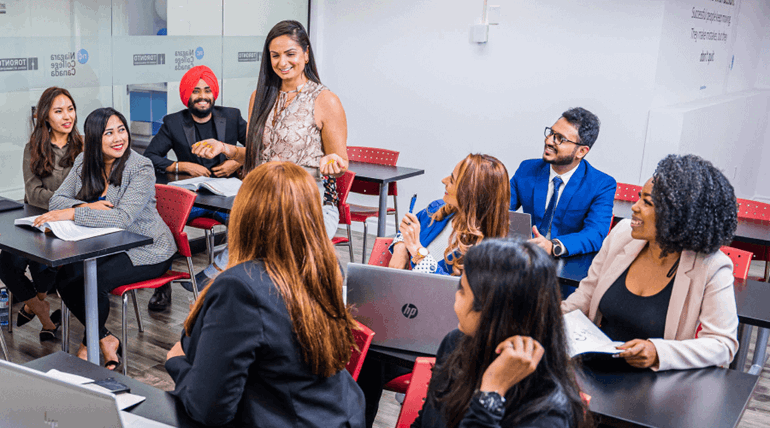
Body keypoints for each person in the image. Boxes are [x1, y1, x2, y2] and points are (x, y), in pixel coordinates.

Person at [165, 161, 365, 427]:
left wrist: (176, 360)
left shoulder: (240, 287)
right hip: (336, 414)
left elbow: (209, 410)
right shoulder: (325, 269)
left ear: (244, 214)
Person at [190, 20, 348, 285]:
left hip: (309, 204)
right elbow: (257, 155)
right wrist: (224, 148)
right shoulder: (260, 97)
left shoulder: (325, 100)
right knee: (248, 267)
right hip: (266, 200)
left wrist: (333, 161)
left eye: (290, 54)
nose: (282, 62)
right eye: (275, 55)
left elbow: (339, 161)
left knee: (274, 267)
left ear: (306, 54)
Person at [562, 154, 739, 370]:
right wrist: (548, 317)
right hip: (595, 367)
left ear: (678, 216)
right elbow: (586, 296)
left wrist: (657, 353)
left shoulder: (711, 266)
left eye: (647, 202)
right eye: (639, 197)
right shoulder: (622, 234)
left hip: (658, 382)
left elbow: (723, 345)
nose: (634, 207)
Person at [42, 107, 177, 370]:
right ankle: (106, 339)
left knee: (95, 282)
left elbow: (122, 218)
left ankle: (88, 345)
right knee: (66, 277)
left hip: (148, 248)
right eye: (109, 133)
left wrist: (71, 213)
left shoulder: (141, 167)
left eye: (121, 130)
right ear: (94, 138)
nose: (118, 138)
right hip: (107, 246)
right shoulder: (84, 161)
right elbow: (55, 201)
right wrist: (87, 208)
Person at [414, 238, 589, 428]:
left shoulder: (547, 414)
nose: (455, 296)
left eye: (462, 290)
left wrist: (491, 394)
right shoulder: (455, 342)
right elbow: (425, 422)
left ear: (493, 312)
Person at [143, 65, 247, 310]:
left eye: (207, 90)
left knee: (247, 224)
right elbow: (149, 157)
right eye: (196, 91)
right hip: (192, 199)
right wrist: (182, 166)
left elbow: (259, 147)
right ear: (187, 96)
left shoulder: (232, 116)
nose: (202, 96)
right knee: (162, 223)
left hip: (226, 197)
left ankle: (218, 278)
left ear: (214, 93)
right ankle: (162, 287)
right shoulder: (173, 122)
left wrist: (234, 161)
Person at [0, 87, 83, 341]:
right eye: (59, 111)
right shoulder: (33, 148)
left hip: (67, 226)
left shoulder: (83, 147)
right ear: (46, 116)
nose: (67, 116)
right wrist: (67, 202)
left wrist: (70, 207)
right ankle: (43, 311)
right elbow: (34, 194)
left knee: (45, 266)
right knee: (6, 263)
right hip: (35, 222)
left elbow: (88, 192)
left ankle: (38, 309)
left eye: (70, 109)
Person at [509, 107, 616, 258]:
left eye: (560, 139)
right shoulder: (527, 169)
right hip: (525, 257)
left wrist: (553, 246)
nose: (549, 141)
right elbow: (500, 208)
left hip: (566, 264)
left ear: (581, 152)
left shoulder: (601, 184)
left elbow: (595, 234)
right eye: (551, 133)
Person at [389, 153, 510, 275]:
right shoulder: (436, 209)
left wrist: (417, 250)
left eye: (452, 180)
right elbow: (406, 231)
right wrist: (400, 248)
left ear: (470, 195)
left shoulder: (485, 253)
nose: (444, 180)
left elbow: (451, 290)